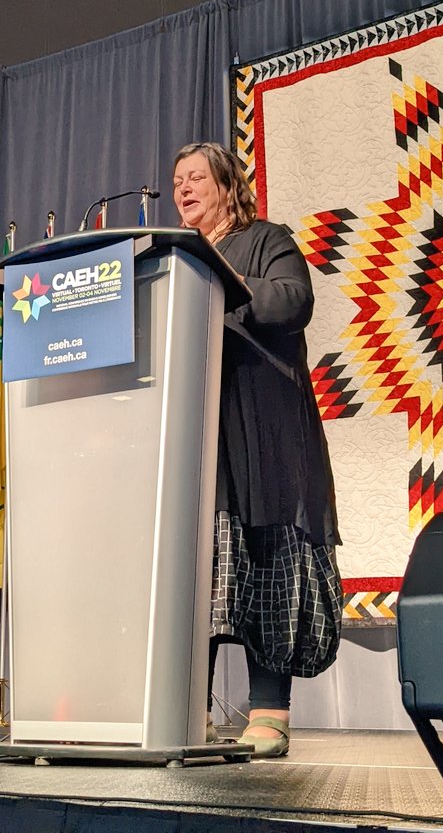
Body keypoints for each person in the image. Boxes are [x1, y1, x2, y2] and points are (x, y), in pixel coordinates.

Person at [172, 141, 342, 758]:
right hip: (197, 437)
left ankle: (268, 712)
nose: (183, 188)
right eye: (177, 181)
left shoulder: (265, 239)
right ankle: (181, 713)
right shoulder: (176, 262)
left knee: (267, 564)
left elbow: (294, 301)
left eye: (195, 178)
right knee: (202, 572)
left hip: (264, 432)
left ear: (226, 185)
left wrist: (227, 281)